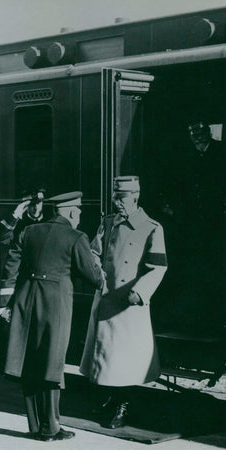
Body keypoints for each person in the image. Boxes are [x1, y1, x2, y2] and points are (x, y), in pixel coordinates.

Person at [0, 191, 104, 441]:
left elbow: (10, 265)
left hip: (26, 298)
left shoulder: (29, 231)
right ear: (73, 212)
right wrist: (95, 259)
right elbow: (94, 277)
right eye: (79, 213)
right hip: (55, 302)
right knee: (52, 363)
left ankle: (36, 426)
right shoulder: (76, 237)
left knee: (31, 361)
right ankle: (52, 428)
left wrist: (4, 302)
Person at [80, 176, 168, 429]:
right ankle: (109, 399)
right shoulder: (107, 223)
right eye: (115, 197)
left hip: (129, 304)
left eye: (122, 197)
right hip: (106, 297)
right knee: (106, 356)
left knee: (126, 359)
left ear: (135, 197)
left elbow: (157, 267)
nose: (117, 203)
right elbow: (94, 252)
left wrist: (139, 293)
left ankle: (123, 405)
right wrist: (96, 274)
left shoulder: (152, 228)